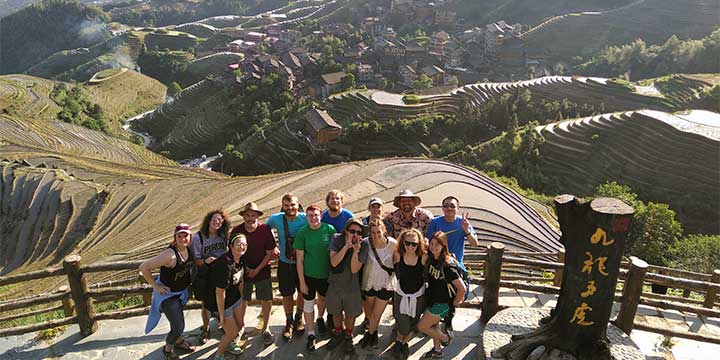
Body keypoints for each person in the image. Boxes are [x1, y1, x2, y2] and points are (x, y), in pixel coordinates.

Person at [141, 224, 197, 360]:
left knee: (175, 322)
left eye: (186, 236)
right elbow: (143, 267)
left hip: (181, 293)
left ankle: (177, 341)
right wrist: (156, 286)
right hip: (168, 295)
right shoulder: (170, 255)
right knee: (179, 326)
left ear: (190, 237)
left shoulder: (189, 249)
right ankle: (168, 349)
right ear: (175, 238)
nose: (183, 238)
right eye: (180, 236)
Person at [425, 196, 478, 336]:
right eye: (446, 206)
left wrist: (466, 230)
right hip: (437, 265)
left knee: (452, 295)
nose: (449, 208)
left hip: (453, 266)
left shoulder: (463, 223)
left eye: (452, 206)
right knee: (437, 295)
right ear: (442, 208)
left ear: (457, 208)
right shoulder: (436, 222)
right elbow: (428, 240)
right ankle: (434, 324)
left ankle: (447, 321)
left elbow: (475, 243)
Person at [229, 202, 276, 346]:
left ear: (257, 216)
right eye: (247, 215)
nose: (250, 218)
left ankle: (265, 327)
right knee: (242, 300)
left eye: (253, 215)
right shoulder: (237, 230)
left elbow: (269, 252)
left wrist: (257, 269)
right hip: (243, 271)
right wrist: (247, 268)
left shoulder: (265, 229)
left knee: (266, 299)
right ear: (243, 216)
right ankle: (240, 327)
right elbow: (232, 250)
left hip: (262, 270)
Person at [417, 232, 466, 359]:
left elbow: (462, 288)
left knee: (422, 326)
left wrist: (454, 304)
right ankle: (437, 350)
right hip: (433, 299)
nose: (433, 247)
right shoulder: (433, 258)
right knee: (434, 325)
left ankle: (446, 338)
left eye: (437, 245)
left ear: (443, 245)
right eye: (432, 244)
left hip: (443, 304)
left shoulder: (447, 266)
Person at [266, 193, 307, 341]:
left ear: (298, 205)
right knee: (287, 294)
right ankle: (289, 322)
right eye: (287, 205)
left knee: (303, 292)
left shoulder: (305, 217)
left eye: (293, 205)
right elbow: (266, 229)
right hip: (285, 263)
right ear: (282, 206)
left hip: (303, 263)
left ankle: (299, 318)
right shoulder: (276, 218)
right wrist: (273, 246)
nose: (290, 208)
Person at [294, 204, 336, 352]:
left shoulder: (329, 230)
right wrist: (302, 282)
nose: (313, 218)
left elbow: (334, 252)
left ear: (320, 215)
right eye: (310, 215)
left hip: (325, 275)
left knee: (323, 299)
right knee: (308, 304)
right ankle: (311, 333)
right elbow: (299, 260)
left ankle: (320, 318)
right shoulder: (302, 233)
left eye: (316, 215)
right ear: (306, 217)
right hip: (308, 275)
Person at [325, 218, 368, 354]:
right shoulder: (337, 239)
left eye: (358, 232)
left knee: (351, 313)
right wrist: (346, 247)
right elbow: (334, 262)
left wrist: (355, 251)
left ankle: (348, 335)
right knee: (335, 311)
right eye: (352, 231)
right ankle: (338, 332)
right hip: (335, 283)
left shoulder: (363, 246)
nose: (355, 234)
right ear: (346, 231)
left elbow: (355, 269)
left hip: (352, 284)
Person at [191, 209, 231, 345]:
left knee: (222, 300)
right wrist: (206, 261)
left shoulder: (223, 236)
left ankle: (223, 324)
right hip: (206, 273)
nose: (217, 222)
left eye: (220, 220)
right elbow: (196, 260)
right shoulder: (198, 238)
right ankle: (205, 328)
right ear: (209, 220)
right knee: (206, 304)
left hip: (220, 272)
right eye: (215, 219)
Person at [359, 219, 397, 349]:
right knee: (370, 315)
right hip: (368, 282)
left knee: (376, 314)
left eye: (378, 232)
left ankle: (369, 335)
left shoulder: (392, 244)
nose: (376, 235)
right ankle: (373, 335)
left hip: (386, 284)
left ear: (384, 231)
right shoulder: (365, 243)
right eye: (373, 232)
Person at [391, 229, 428, 360]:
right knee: (402, 320)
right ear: (402, 243)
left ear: (419, 244)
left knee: (414, 321)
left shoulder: (423, 257)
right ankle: (401, 340)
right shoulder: (397, 255)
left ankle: (402, 343)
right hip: (401, 293)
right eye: (407, 243)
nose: (411, 246)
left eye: (414, 244)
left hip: (418, 295)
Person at [210, 234, 248, 360]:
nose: (241, 246)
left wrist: (242, 300)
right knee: (231, 331)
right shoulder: (224, 264)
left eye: (244, 244)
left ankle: (229, 343)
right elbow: (220, 292)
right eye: (238, 244)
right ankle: (218, 355)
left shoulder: (241, 259)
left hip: (235, 299)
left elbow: (241, 280)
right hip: (222, 303)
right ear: (230, 246)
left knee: (240, 324)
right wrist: (221, 316)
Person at [359, 197, 394, 330]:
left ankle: (372, 326)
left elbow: (390, 245)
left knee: (377, 302)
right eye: (373, 206)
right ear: (369, 208)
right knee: (367, 298)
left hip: (383, 271)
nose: (376, 209)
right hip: (367, 264)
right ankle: (368, 320)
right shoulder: (363, 222)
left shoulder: (388, 223)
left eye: (378, 206)